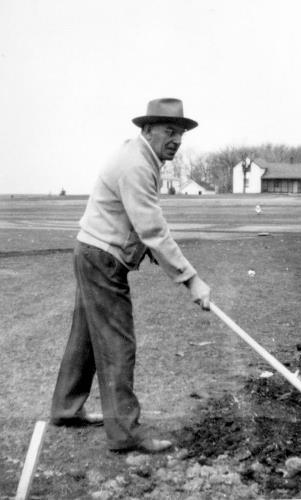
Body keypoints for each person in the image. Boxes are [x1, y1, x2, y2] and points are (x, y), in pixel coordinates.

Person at [50, 98, 211, 453]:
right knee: (117, 344)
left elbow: (138, 224)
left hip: (92, 250)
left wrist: (145, 247)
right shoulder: (137, 165)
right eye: (169, 131)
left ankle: (65, 408)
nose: (176, 140)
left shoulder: (141, 157)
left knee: (87, 338)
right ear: (147, 130)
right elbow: (153, 229)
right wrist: (191, 279)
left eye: (180, 133)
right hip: (101, 258)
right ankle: (124, 432)